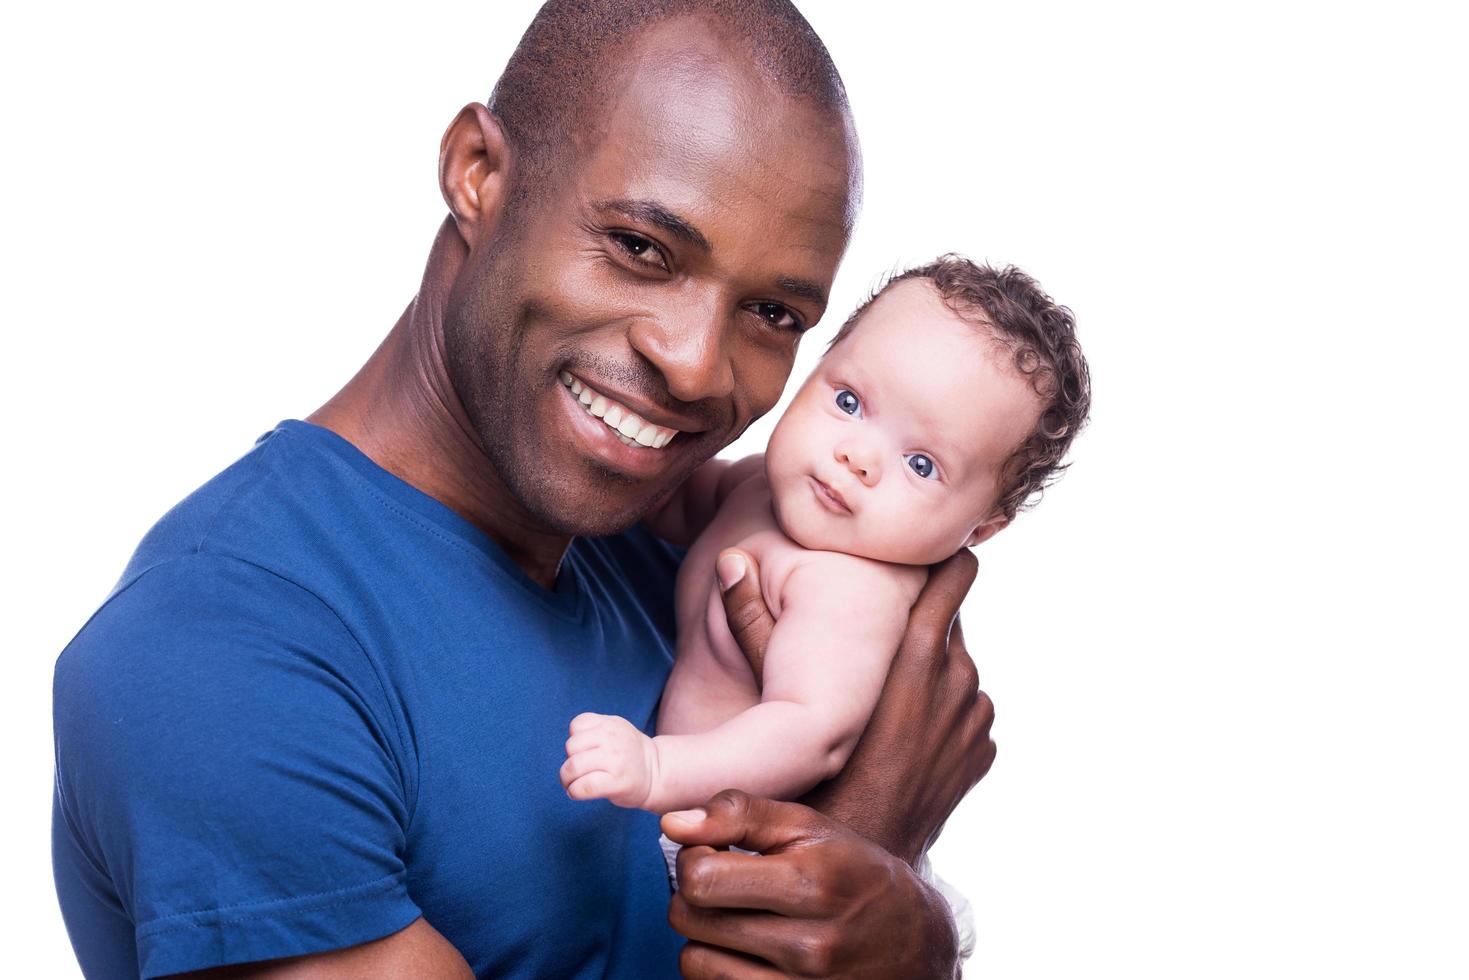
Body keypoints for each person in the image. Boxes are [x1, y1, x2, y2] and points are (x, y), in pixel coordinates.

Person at [50, 2, 997, 978]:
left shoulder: (703, 565)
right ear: (478, 174)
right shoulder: (220, 653)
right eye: (640, 247)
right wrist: (872, 851)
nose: (695, 364)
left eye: (770, 311)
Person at [561, 258, 1089, 814]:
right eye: (849, 402)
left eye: (920, 464)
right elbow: (672, 502)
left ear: (978, 528)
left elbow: (811, 735)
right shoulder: (766, 486)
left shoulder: (851, 591)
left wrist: (658, 768)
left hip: (733, 832)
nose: (857, 457)